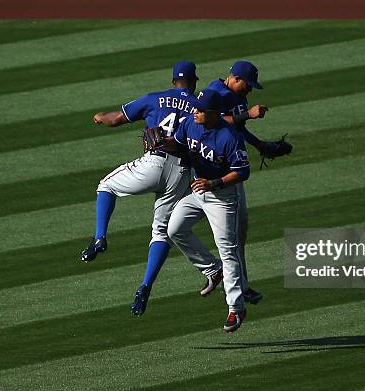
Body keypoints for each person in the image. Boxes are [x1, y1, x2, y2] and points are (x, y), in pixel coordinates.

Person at [80, 61, 200, 317]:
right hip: (181, 173)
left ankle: (100, 237)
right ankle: (145, 287)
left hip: (152, 163)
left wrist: (100, 117)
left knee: (106, 186)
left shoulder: (155, 98)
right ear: (195, 81)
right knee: (160, 232)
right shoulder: (201, 107)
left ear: (173, 82)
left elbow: (115, 119)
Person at [163, 89, 250, 333]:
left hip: (222, 197)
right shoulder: (191, 122)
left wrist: (214, 183)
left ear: (214, 114)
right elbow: (177, 145)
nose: (195, 111)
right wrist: (161, 142)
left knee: (228, 250)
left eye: (201, 110)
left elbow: (243, 172)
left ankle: (236, 307)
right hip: (199, 192)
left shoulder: (229, 136)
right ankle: (213, 270)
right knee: (175, 229)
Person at [203, 60, 272, 304]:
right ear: (236, 79)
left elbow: (238, 128)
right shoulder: (215, 93)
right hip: (213, 173)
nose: (250, 90)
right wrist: (248, 114)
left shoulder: (236, 96)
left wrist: (259, 145)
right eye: (248, 85)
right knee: (229, 237)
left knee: (239, 231)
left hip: (232, 169)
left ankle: (240, 284)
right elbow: (216, 121)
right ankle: (218, 275)